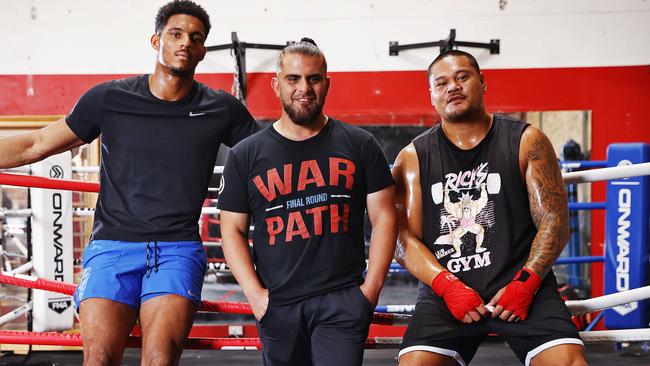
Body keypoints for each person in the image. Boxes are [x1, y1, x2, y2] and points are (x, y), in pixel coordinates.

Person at [0, 1, 258, 364]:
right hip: (112, 248)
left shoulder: (221, 108)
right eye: (176, 33)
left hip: (176, 250)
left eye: (195, 38)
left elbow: (267, 158)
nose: (185, 42)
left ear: (202, 50)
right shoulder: (110, 98)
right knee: (99, 359)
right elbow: (36, 143)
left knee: (159, 360)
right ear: (156, 41)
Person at [392, 50, 587, 366]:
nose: (452, 87)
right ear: (432, 96)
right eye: (441, 83)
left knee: (569, 363)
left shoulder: (526, 140)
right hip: (447, 291)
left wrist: (527, 282)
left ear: (482, 83)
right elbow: (402, 238)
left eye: (462, 77)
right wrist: (447, 286)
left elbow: (553, 219)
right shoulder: (413, 158)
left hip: (523, 283)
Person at [218, 38, 397, 366]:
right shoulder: (246, 155)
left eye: (314, 79)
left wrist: (369, 291)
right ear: (276, 85)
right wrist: (257, 298)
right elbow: (231, 229)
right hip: (279, 303)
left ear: (327, 84)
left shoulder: (360, 144)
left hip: (342, 300)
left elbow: (385, 217)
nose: (305, 88)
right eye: (293, 79)